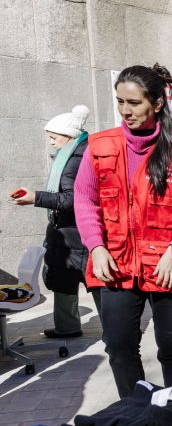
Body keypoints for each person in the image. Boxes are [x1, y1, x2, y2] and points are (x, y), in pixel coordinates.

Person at [75, 64, 172, 399]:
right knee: (119, 345)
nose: (125, 110)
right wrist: (96, 246)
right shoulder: (99, 146)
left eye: (134, 103)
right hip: (116, 262)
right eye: (120, 101)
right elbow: (84, 199)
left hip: (168, 264)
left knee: (171, 344)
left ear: (157, 104)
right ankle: (135, 409)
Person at [8, 105, 101, 338]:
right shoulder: (72, 155)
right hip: (68, 232)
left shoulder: (74, 161)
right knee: (65, 281)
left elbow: (73, 199)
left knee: (95, 282)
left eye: (53, 137)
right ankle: (68, 328)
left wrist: (36, 197)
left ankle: (116, 331)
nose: (50, 142)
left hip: (77, 232)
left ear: (69, 136)